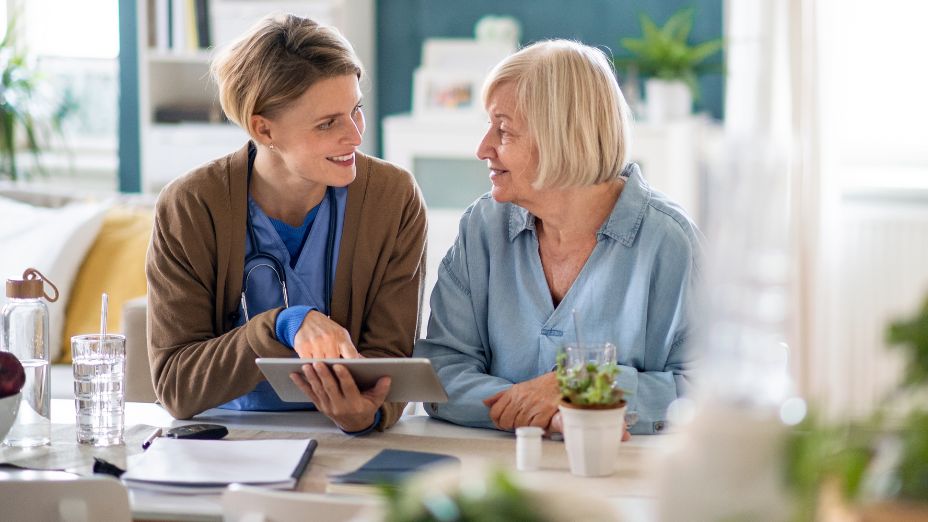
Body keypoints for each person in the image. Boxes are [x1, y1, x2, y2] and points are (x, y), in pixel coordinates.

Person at [146, 14, 426, 434]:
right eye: (327, 123)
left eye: (356, 111)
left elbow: (390, 362)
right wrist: (282, 325)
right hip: (224, 439)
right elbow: (175, 384)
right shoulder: (191, 206)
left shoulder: (392, 198)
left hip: (343, 439)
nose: (355, 136)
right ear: (263, 129)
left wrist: (367, 413)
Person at [414, 40, 702, 436]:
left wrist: (581, 386)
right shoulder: (482, 227)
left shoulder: (671, 244)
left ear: (562, 137)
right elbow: (442, 370)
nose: (483, 148)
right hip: (496, 462)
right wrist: (548, 410)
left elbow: (707, 392)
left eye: (503, 130)